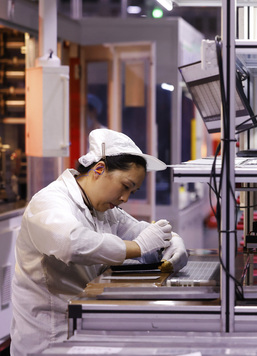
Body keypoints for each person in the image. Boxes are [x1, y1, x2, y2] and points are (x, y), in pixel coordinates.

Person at [10, 129, 189, 355]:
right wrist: (139, 247)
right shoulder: (49, 202)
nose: (125, 198)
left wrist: (172, 240)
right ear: (99, 169)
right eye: (125, 186)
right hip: (51, 339)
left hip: (84, 324)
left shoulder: (101, 208)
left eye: (132, 192)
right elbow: (72, 243)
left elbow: (140, 230)